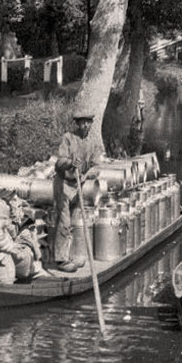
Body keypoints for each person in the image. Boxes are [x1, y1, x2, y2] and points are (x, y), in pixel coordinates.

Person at [51, 113, 104, 272]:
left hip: (80, 186)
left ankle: (71, 255)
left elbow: (96, 166)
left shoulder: (93, 142)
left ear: (91, 124)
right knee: (64, 222)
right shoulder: (68, 138)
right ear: (77, 124)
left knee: (75, 223)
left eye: (88, 123)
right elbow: (59, 163)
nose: (85, 126)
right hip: (64, 184)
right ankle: (60, 260)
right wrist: (69, 163)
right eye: (82, 123)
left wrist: (87, 175)